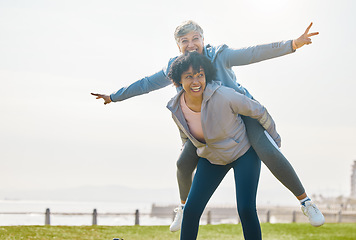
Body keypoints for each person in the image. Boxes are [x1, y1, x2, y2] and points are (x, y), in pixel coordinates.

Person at [91, 20, 324, 230]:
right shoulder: (177, 67)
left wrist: (292, 44)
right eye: (184, 41)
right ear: (178, 46)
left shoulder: (220, 56)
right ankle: (184, 208)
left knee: (266, 149)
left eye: (195, 38)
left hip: (240, 115)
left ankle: (305, 202)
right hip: (207, 128)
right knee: (183, 162)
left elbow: (253, 53)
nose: (191, 44)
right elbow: (146, 84)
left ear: (203, 39)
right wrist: (114, 96)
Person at [167, 51, 278, 239]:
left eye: (200, 75)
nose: (196, 81)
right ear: (179, 81)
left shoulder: (224, 95)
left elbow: (258, 110)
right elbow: (185, 135)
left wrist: (273, 141)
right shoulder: (176, 107)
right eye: (189, 77)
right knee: (191, 210)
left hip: (243, 153)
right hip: (211, 158)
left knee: (246, 209)